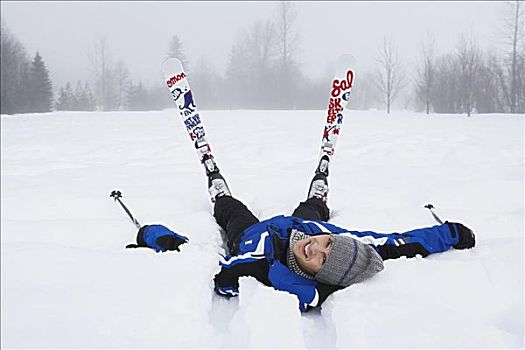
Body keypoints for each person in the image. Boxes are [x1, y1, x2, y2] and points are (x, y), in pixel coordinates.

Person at [204, 155, 476, 313]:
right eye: (328, 245)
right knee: (311, 211)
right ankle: (319, 198)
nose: (316, 248)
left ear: (316, 274)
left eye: (322, 260)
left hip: (250, 234)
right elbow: (396, 243)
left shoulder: (262, 264)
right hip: (299, 225)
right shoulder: (322, 237)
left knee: (233, 210)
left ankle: (221, 195)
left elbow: (221, 275)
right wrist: (450, 233)